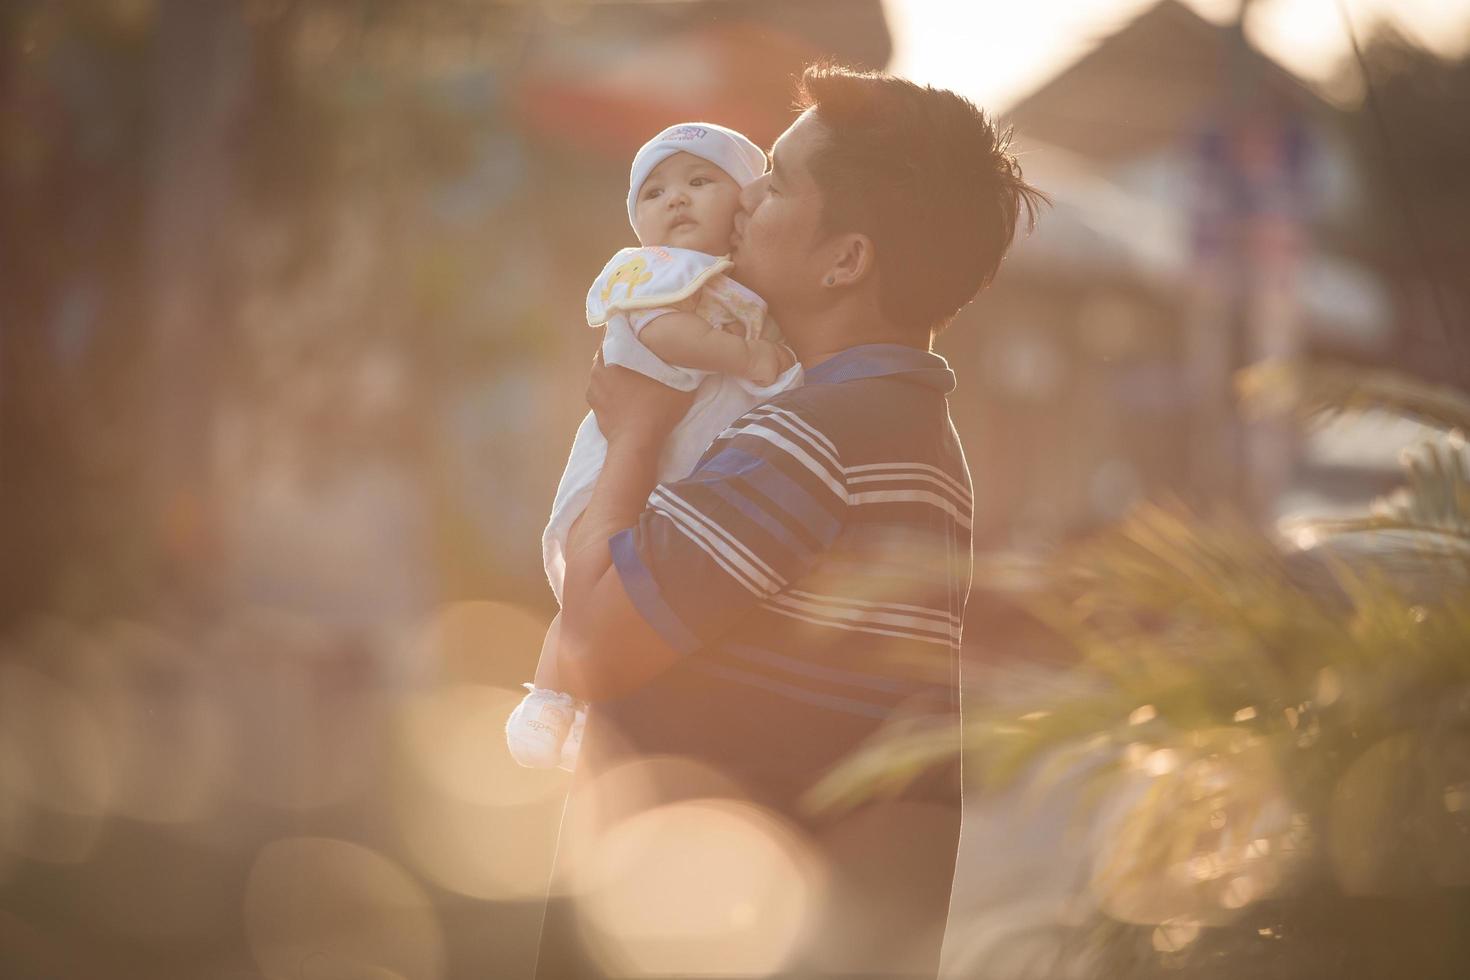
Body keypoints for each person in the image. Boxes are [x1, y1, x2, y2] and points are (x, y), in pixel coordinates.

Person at [536, 64, 1045, 979]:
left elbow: (591, 650)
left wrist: (635, 437)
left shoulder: (810, 440)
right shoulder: (912, 431)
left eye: (772, 183)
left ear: (845, 260)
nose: (739, 202)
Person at [505, 122, 800, 769]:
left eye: (701, 182)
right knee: (595, 578)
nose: (676, 200)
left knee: (639, 590)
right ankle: (551, 695)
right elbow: (665, 336)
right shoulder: (654, 274)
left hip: (678, 460)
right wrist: (743, 355)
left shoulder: (743, 285)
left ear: (748, 205)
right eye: (655, 192)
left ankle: (589, 705)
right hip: (624, 446)